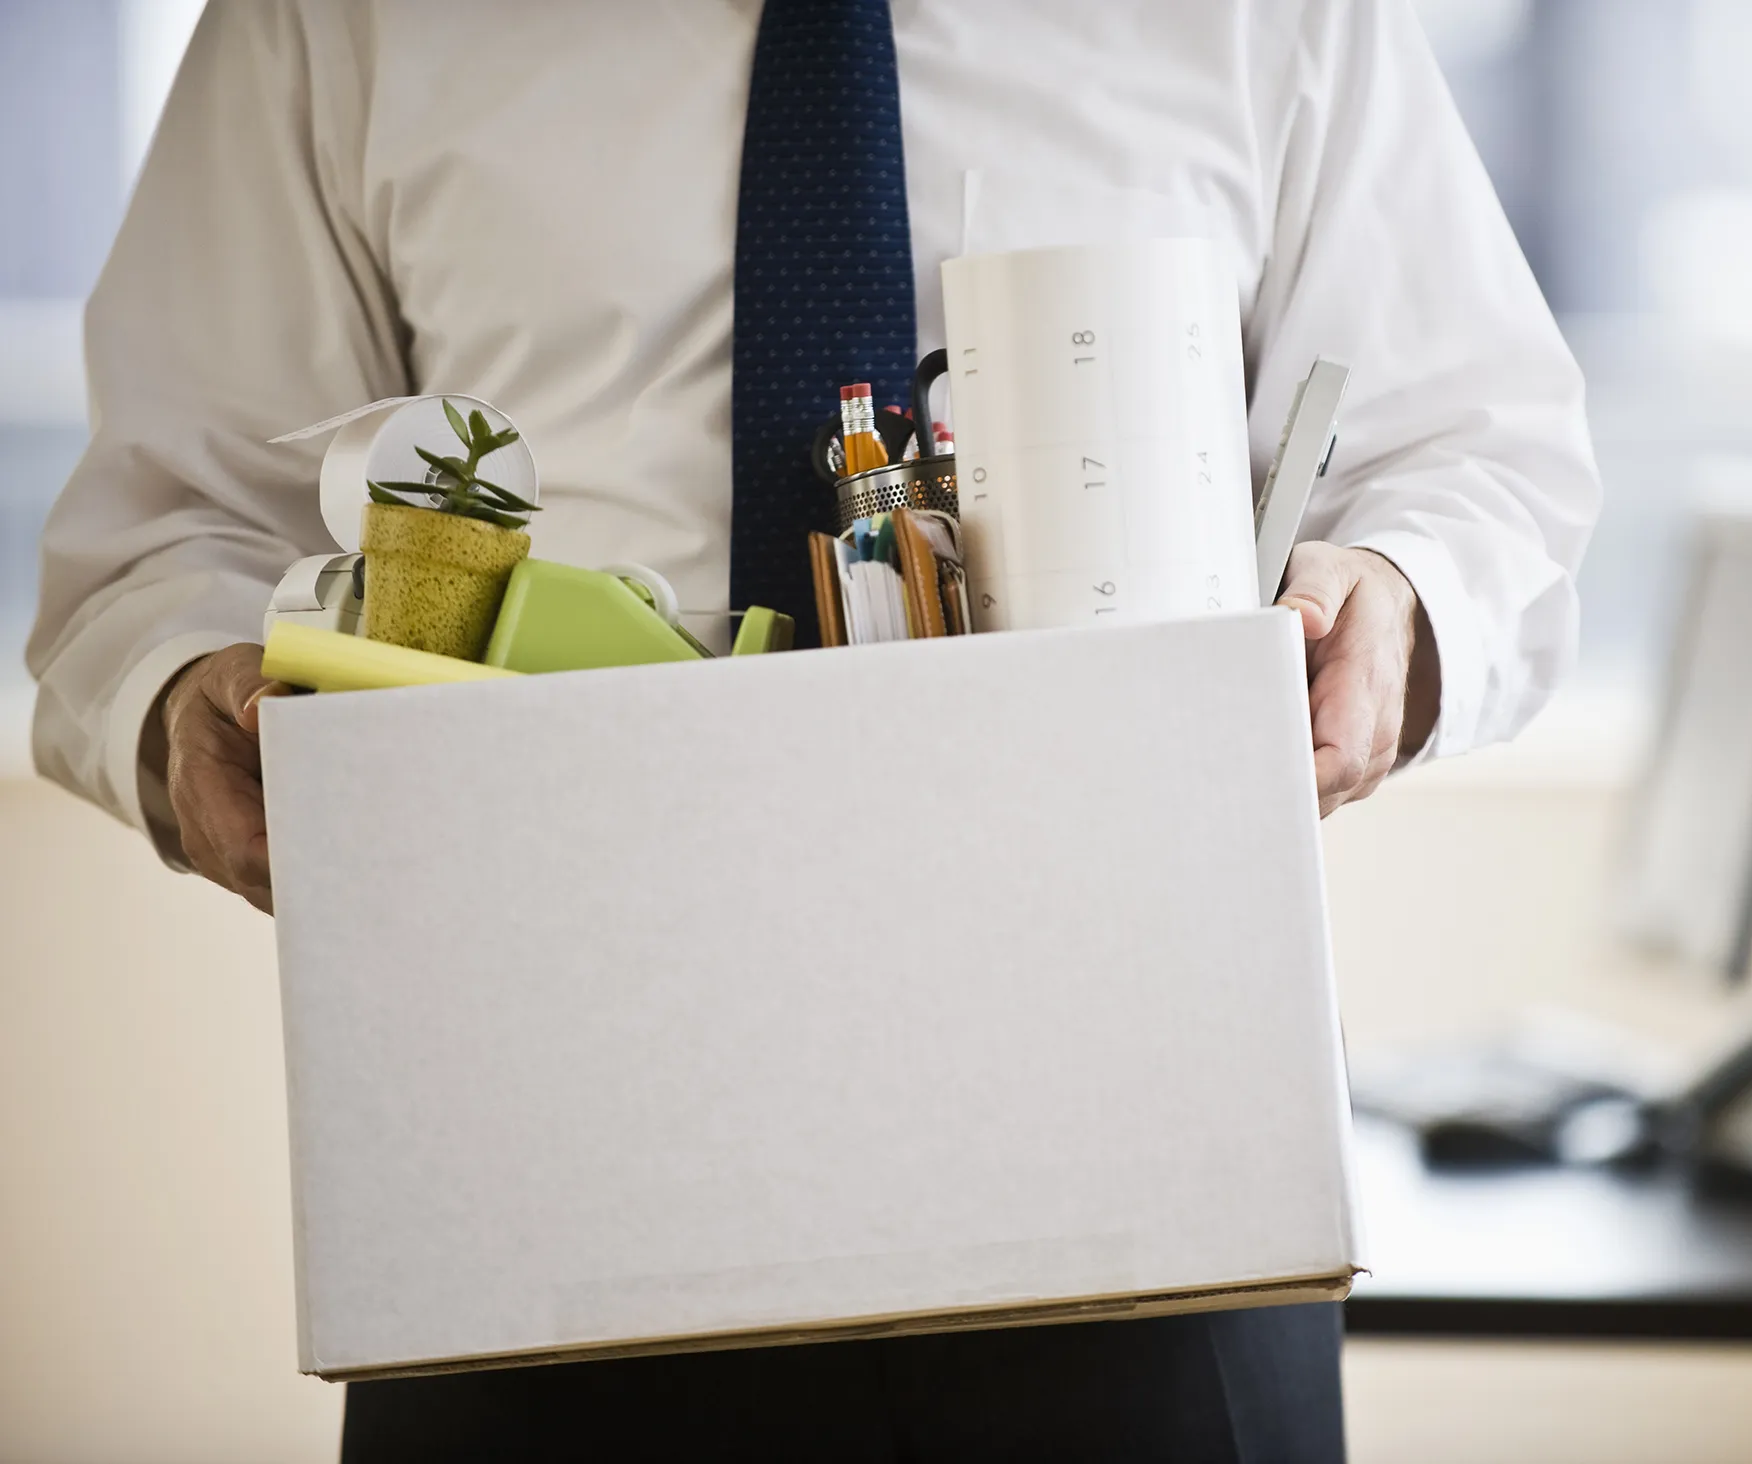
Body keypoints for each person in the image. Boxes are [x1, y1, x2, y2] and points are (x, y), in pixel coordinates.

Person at [27, 1, 1599, 1459]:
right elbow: (173, 526)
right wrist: (188, 698)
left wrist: (1401, 593)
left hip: (1153, 1141)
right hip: (537, 1160)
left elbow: (1476, 452)